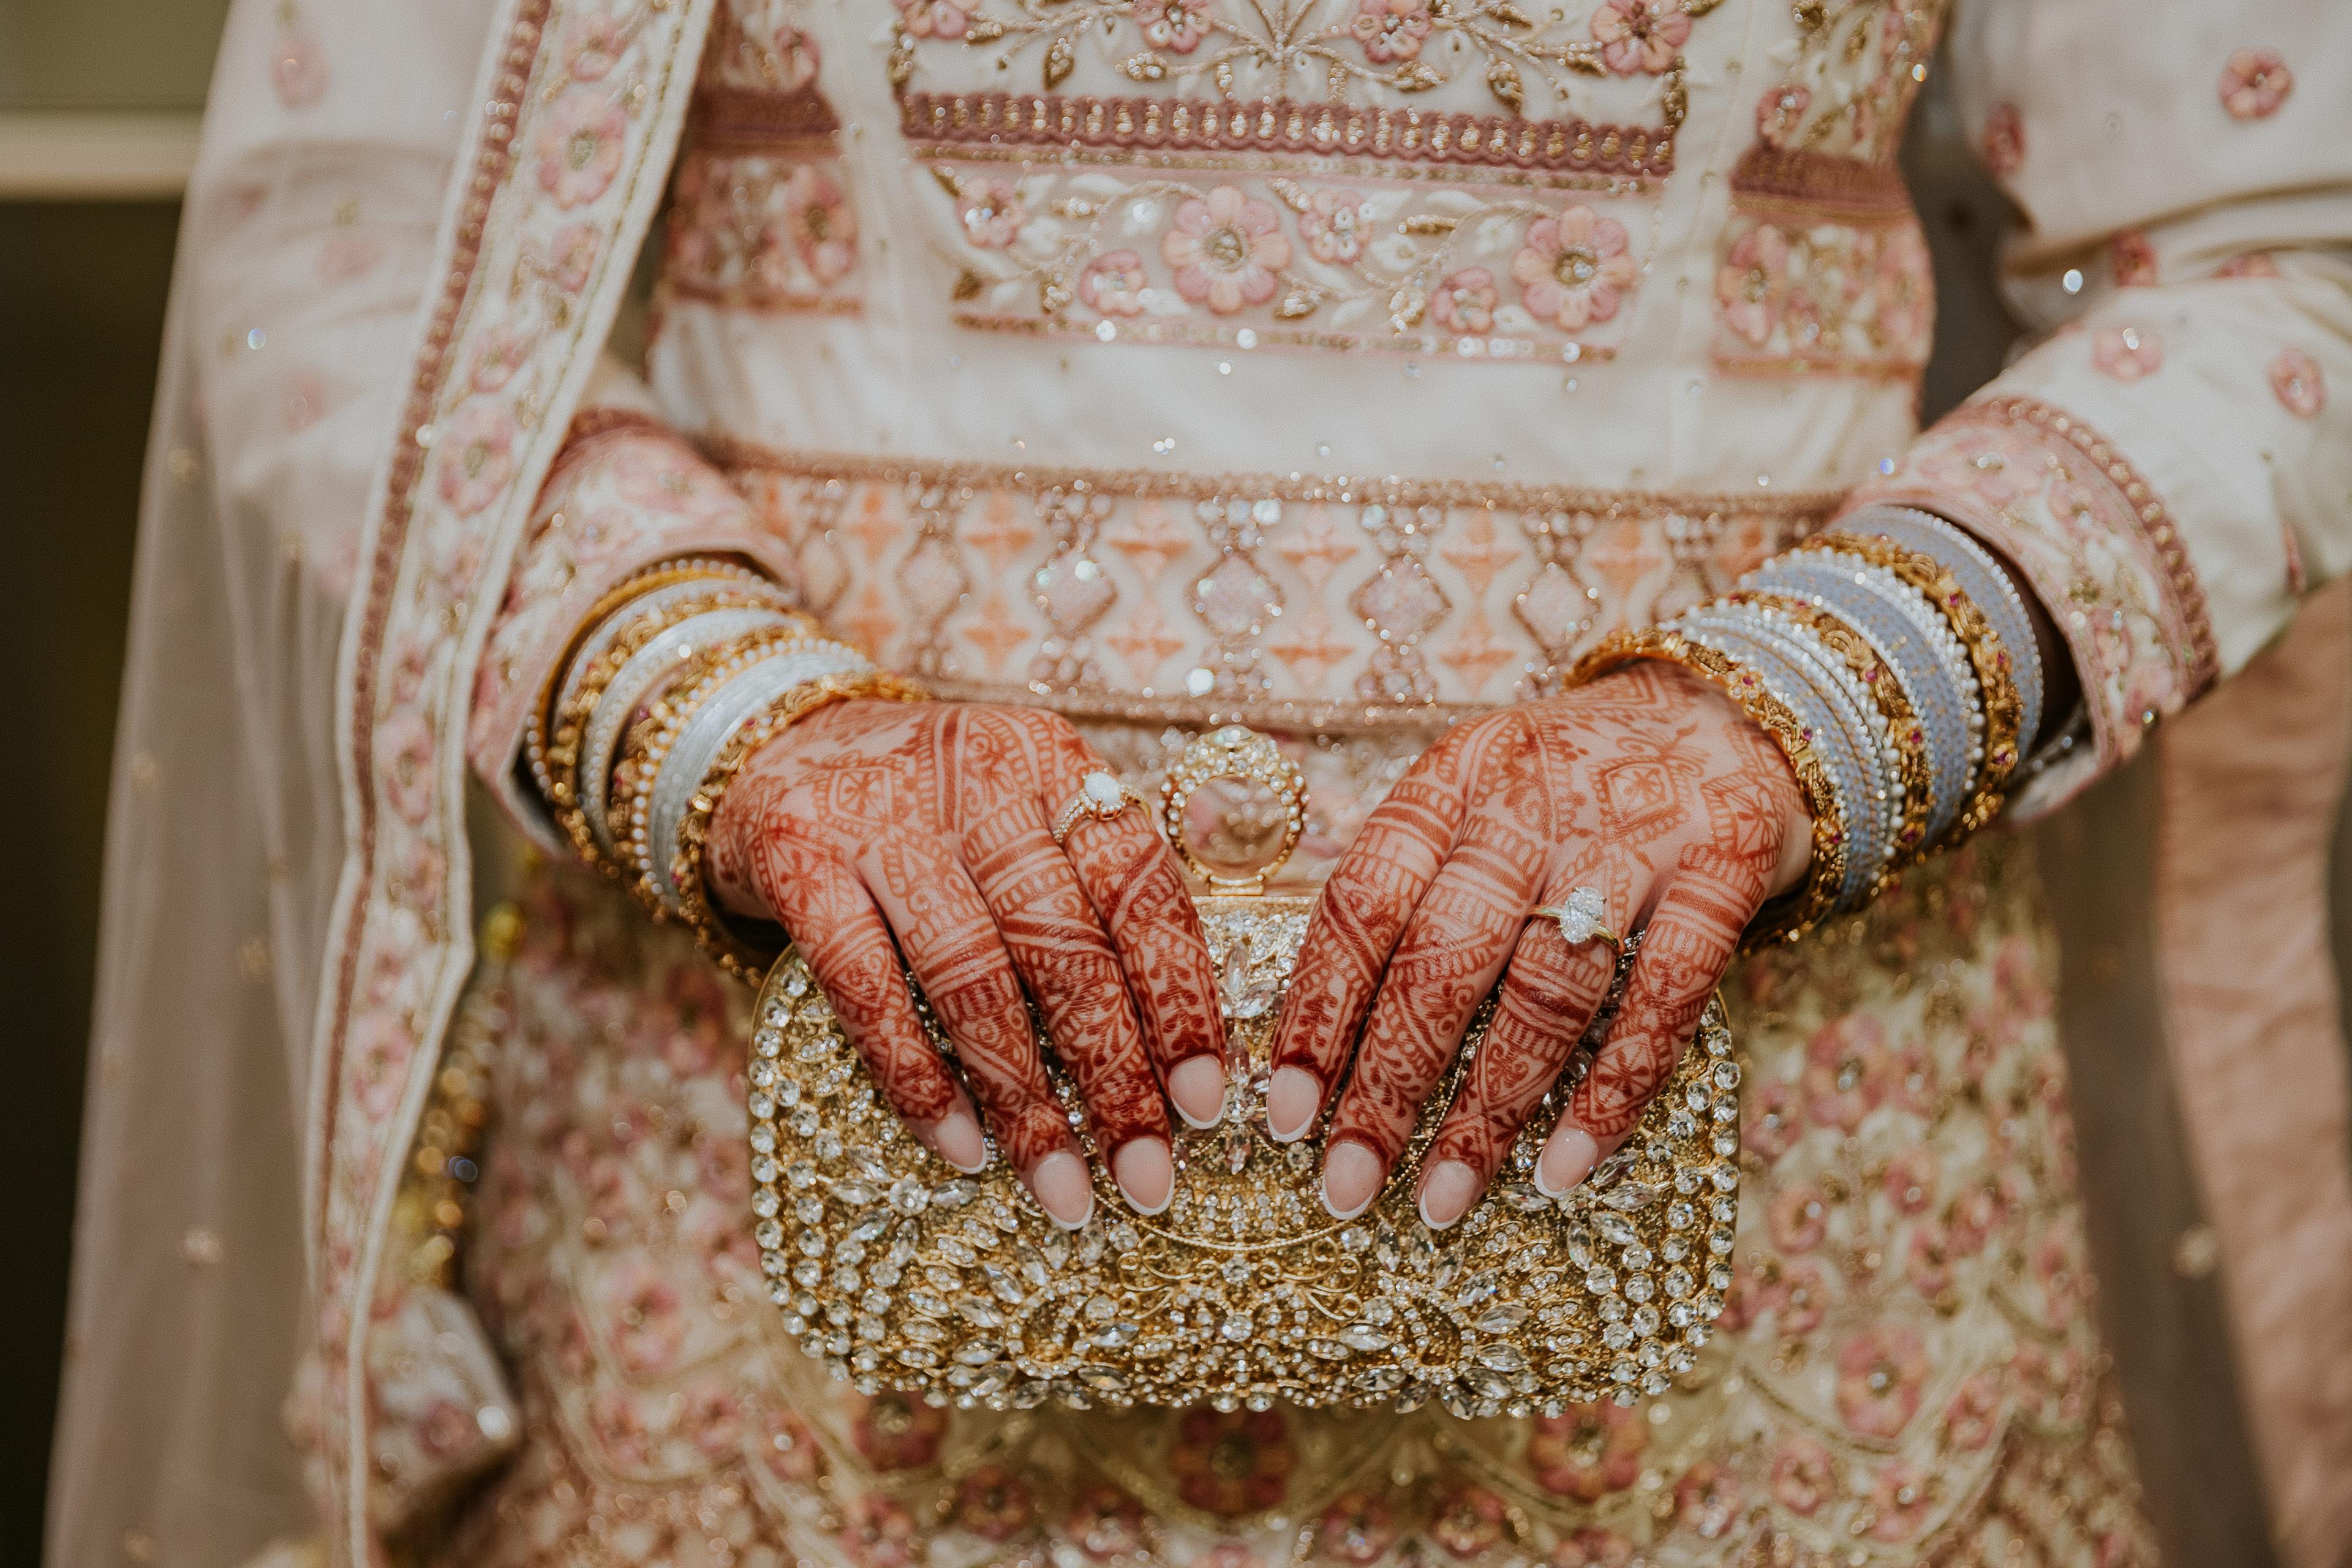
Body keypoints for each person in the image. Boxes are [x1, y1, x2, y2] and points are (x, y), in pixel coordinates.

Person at [45, 0, 2352, 1564]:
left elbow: (2283, 254)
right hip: (781, 1188)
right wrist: (744, 730)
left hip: (1773, 1225)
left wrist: (1789, 714)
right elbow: (359, 263)